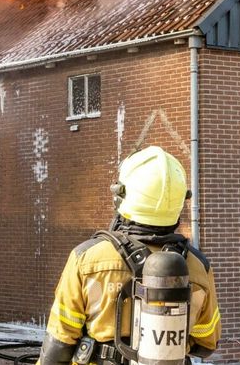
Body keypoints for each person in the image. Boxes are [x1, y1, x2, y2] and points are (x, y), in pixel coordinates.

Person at [37, 146, 220, 365]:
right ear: (180, 202)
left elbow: (59, 344)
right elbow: (207, 342)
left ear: (121, 196)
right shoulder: (198, 266)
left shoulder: (86, 258)